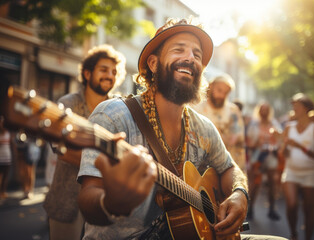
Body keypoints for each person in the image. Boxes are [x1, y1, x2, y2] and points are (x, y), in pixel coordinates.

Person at [77, 18, 286, 240]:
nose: (190, 58)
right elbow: (88, 198)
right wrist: (109, 203)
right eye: (179, 50)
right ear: (153, 63)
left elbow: (229, 168)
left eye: (197, 54)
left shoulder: (203, 127)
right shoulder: (113, 115)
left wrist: (239, 193)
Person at [43, 44, 126, 240]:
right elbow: (60, 149)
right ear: (87, 73)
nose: (109, 75)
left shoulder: (118, 108)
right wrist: (106, 160)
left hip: (104, 202)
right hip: (66, 202)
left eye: (114, 72)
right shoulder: (67, 104)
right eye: (103, 70)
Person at [278, 93, 314, 240]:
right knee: (291, 205)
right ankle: (294, 235)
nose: (294, 108)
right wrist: (284, 146)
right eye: (293, 105)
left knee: (309, 209)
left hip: (311, 173)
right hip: (291, 171)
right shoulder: (289, 127)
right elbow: (283, 153)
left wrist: (299, 146)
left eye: (297, 105)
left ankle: (308, 237)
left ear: (306, 108)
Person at [193, 74, 246, 172]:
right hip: (200, 168)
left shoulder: (233, 111)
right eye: (219, 90)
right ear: (211, 86)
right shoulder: (196, 108)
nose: (221, 95)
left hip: (227, 167)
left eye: (226, 93)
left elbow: (235, 137)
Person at [246, 102, 282, 221]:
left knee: (272, 183)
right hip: (257, 156)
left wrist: (275, 141)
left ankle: (272, 209)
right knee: (255, 183)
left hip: (271, 155)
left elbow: (280, 139)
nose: (264, 112)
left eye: (266, 109)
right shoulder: (254, 124)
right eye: (262, 109)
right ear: (259, 111)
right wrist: (257, 143)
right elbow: (249, 142)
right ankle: (250, 209)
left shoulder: (274, 123)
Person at [0, 115, 14, 199]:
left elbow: (12, 145)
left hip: (7, 157)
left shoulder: (9, 133)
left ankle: (3, 191)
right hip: (0, 158)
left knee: (5, 176)